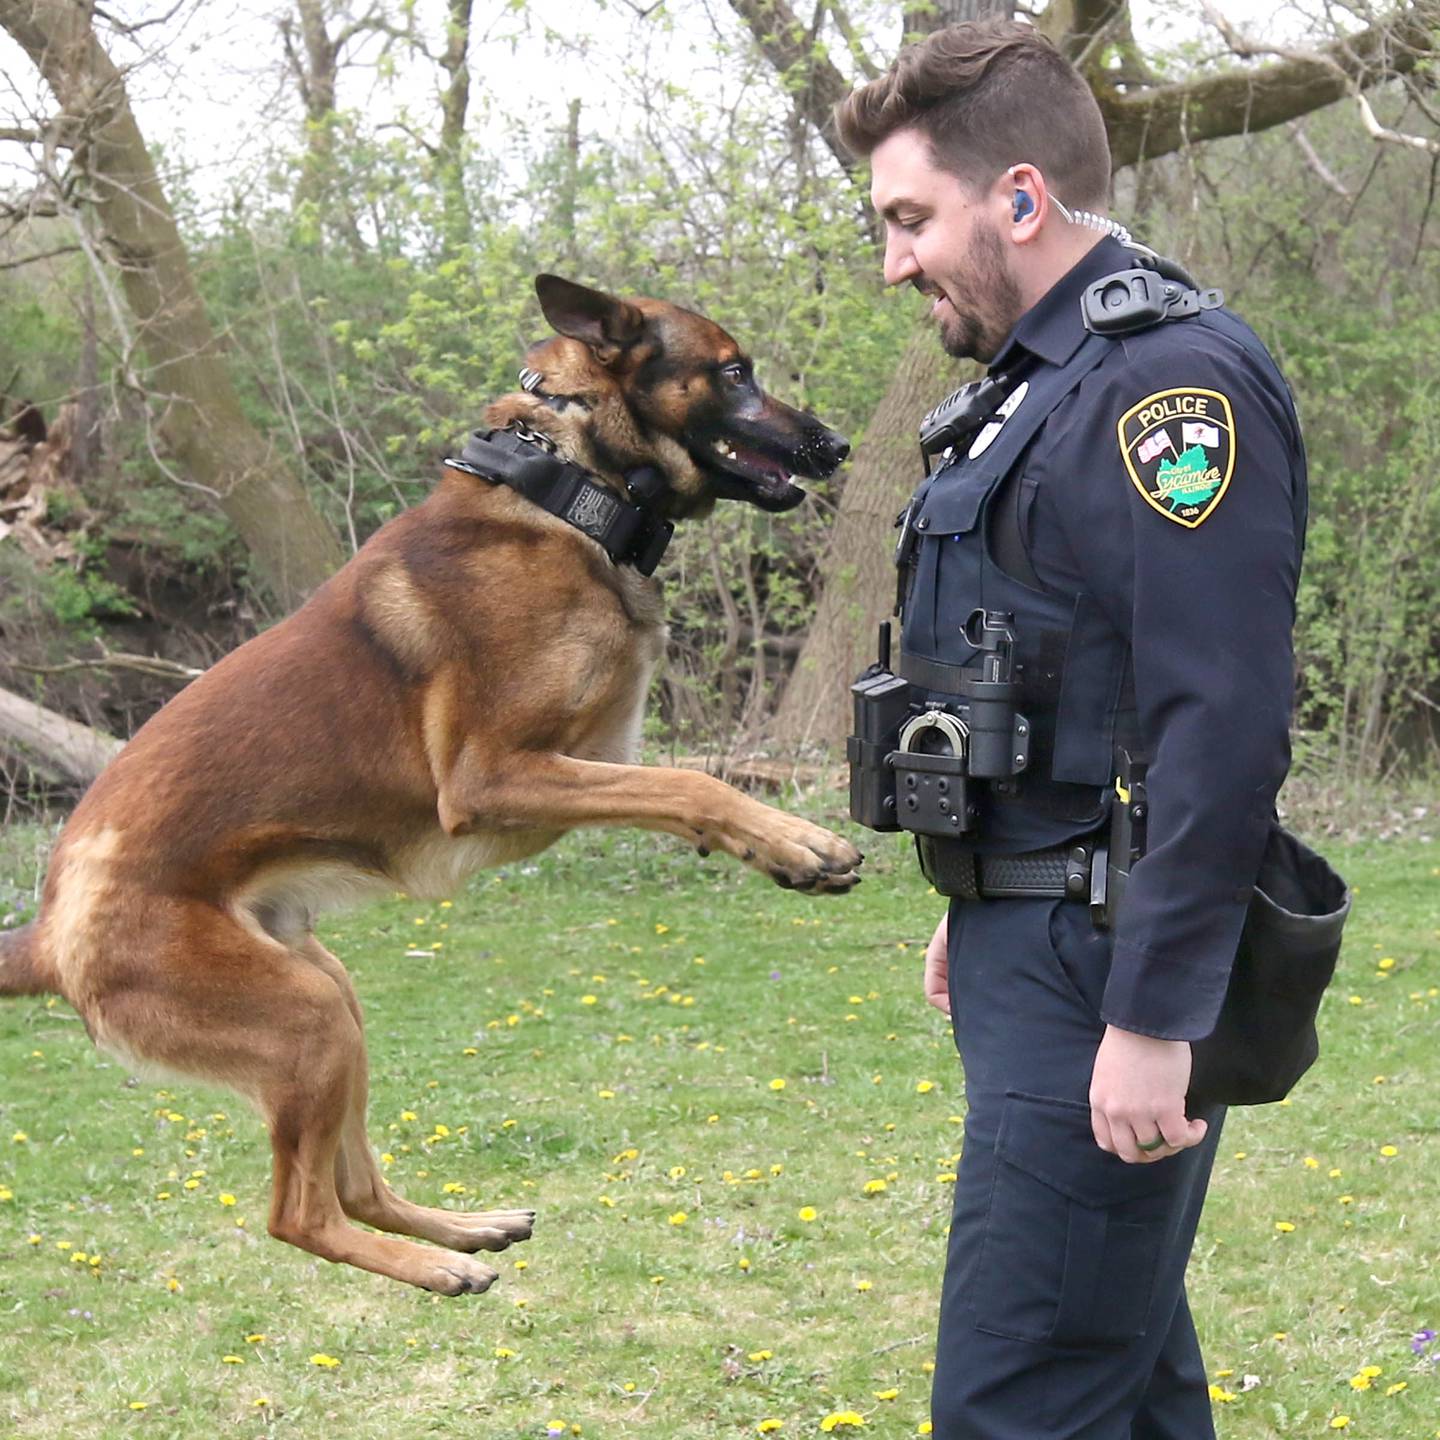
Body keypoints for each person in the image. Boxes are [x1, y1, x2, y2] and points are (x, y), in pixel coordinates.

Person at [835, 20, 1308, 1440]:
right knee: (1123, 1382)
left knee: (1020, 1405)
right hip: (1037, 936)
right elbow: (1051, 670)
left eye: (912, 219)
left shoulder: (1169, 388)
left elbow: (1216, 720)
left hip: (1107, 972)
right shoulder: (1035, 388)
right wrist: (986, 877)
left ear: (1023, 199)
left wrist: (1158, 1013)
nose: (894, 261)